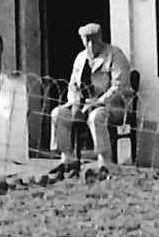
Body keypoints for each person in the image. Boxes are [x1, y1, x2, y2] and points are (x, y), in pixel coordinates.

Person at [50, 22, 133, 177]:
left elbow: (119, 86)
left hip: (112, 105)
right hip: (83, 104)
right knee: (58, 113)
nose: (90, 45)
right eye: (86, 41)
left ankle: (105, 162)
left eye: (93, 40)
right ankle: (68, 159)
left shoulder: (115, 55)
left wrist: (97, 102)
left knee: (96, 117)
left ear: (100, 38)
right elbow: (73, 85)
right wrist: (75, 103)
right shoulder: (81, 58)